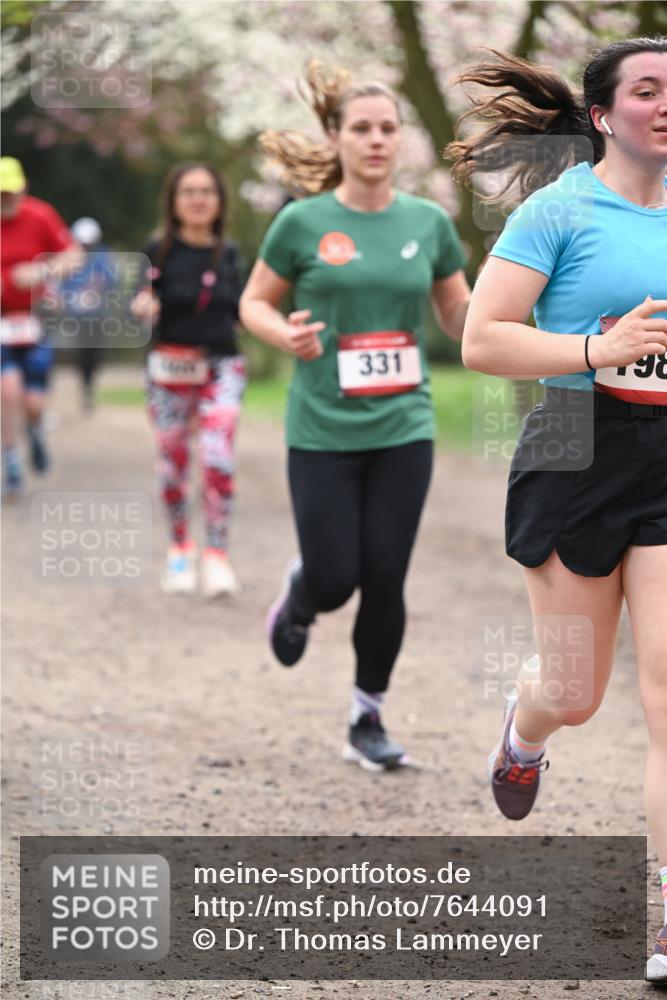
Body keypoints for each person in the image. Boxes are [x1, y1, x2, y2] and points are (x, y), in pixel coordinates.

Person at [448, 38, 667, 982]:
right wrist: (594, 347)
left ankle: (660, 907)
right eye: (648, 90)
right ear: (602, 114)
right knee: (575, 694)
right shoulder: (559, 208)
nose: (665, 105)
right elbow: (482, 340)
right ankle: (525, 730)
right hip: (576, 452)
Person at [240, 62, 471, 771]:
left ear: (400, 141)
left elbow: (461, 315)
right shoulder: (302, 222)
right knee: (337, 575)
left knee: (385, 576)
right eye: (360, 128)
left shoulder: (427, 222)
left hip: (405, 425)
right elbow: (253, 303)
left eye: (386, 129)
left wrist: (525, 309)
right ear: (336, 138)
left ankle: (366, 715)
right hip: (322, 428)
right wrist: (282, 335)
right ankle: (302, 595)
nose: (375, 140)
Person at [131, 162, 247, 598]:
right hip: (167, 370)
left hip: (221, 368)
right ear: (174, 202)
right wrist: (142, 305)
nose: (198, 199)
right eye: (189, 192)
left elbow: (243, 305)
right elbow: (138, 299)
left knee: (218, 459)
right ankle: (180, 548)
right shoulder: (157, 249)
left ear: (219, 201)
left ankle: (216, 556)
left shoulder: (229, 253)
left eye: (206, 192)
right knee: (173, 465)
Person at [0, 156, 82, 496]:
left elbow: (74, 256)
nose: (6, 201)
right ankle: (12, 459)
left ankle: (35, 432)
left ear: (23, 189)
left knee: (33, 403)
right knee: (7, 391)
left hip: (36, 322)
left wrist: (42, 271)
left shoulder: (41, 215)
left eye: (11, 193)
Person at [60, 217, 117, 412]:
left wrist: (94, 289)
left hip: (98, 316)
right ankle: (84, 384)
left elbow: (109, 280)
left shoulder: (103, 256)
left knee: (95, 353)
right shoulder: (68, 256)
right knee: (80, 352)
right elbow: (61, 283)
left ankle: (89, 384)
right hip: (76, 316)